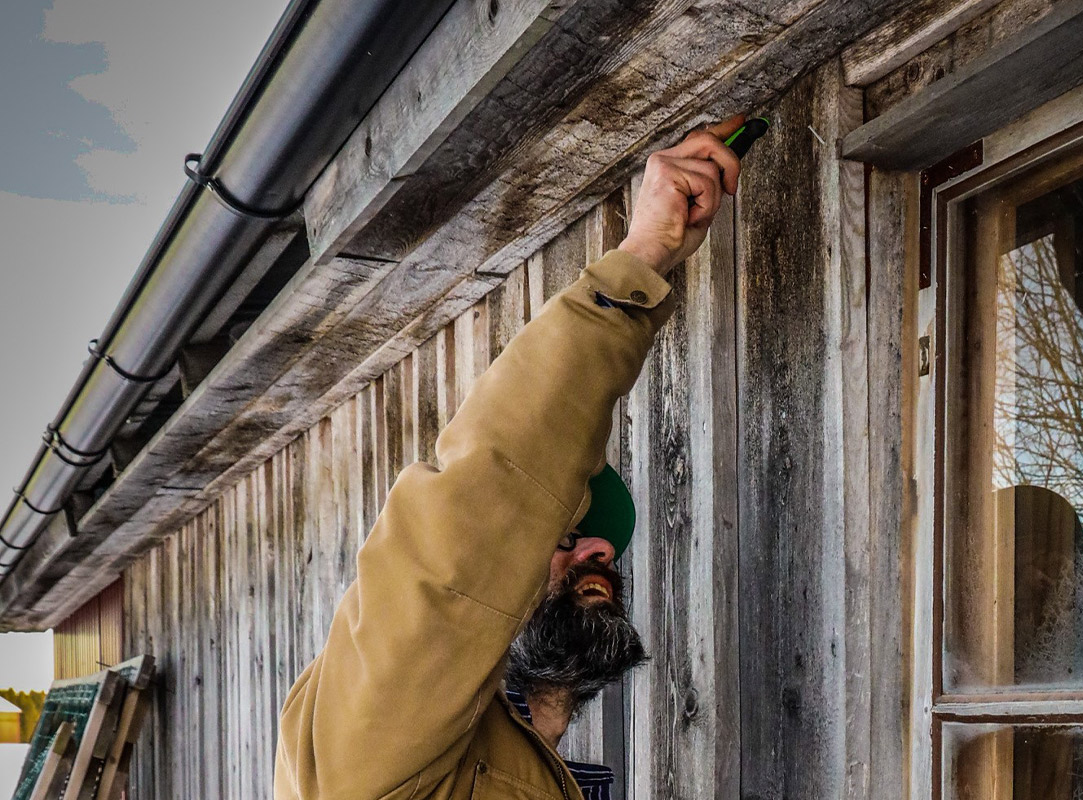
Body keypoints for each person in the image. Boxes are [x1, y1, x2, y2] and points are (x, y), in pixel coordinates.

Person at [273, 115, 749, 800]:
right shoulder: (370, 747)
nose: (600, 553)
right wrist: (641, 258)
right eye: (558, 536)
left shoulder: (530, 770)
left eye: (599, 542)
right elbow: (482, 509)